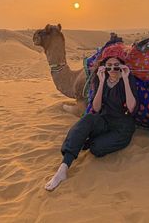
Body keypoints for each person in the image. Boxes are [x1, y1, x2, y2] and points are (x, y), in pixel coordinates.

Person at [45, 55, 139, 191]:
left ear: (122, 68)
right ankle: (63, 168)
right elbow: (96, 108)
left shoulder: (128, 80)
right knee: (87, 119)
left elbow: (131, 108)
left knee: (96, 149)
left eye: (116, 66)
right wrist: (101, 83)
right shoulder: (101, 81)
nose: (113, 69)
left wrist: (124, 79)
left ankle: (86, 141)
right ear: (105, 69)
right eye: (109, 66)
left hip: (122, 126)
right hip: (104, 120)